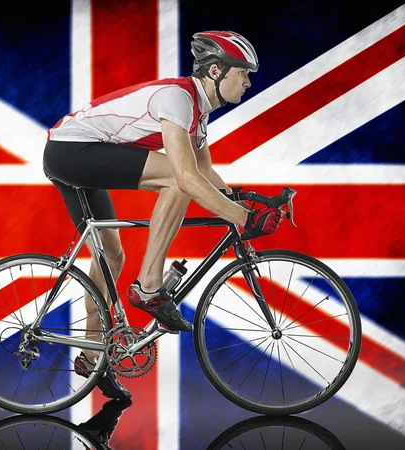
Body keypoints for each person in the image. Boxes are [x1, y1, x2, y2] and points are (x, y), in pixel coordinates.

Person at [43, 31, 284, 399]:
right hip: (70, 151)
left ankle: (93, 358)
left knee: (112, 256)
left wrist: (246, 201)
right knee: (175, 180)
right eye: (244, 73)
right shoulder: (178, 98)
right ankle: (149, 285)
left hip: (75, 152)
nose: (249, 82)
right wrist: (241, 217)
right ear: (217, 70)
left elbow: (205, 175)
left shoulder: (197, 117)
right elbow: (186, 178)